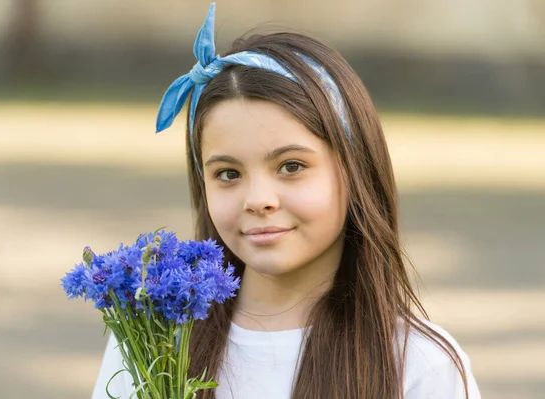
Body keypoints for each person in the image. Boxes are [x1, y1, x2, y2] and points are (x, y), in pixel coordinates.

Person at [91, 3, 481, 398]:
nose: (258, 200)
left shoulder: (418, 364)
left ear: (354, 168)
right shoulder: (153, 342)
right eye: (228, 174)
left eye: (291, 166)